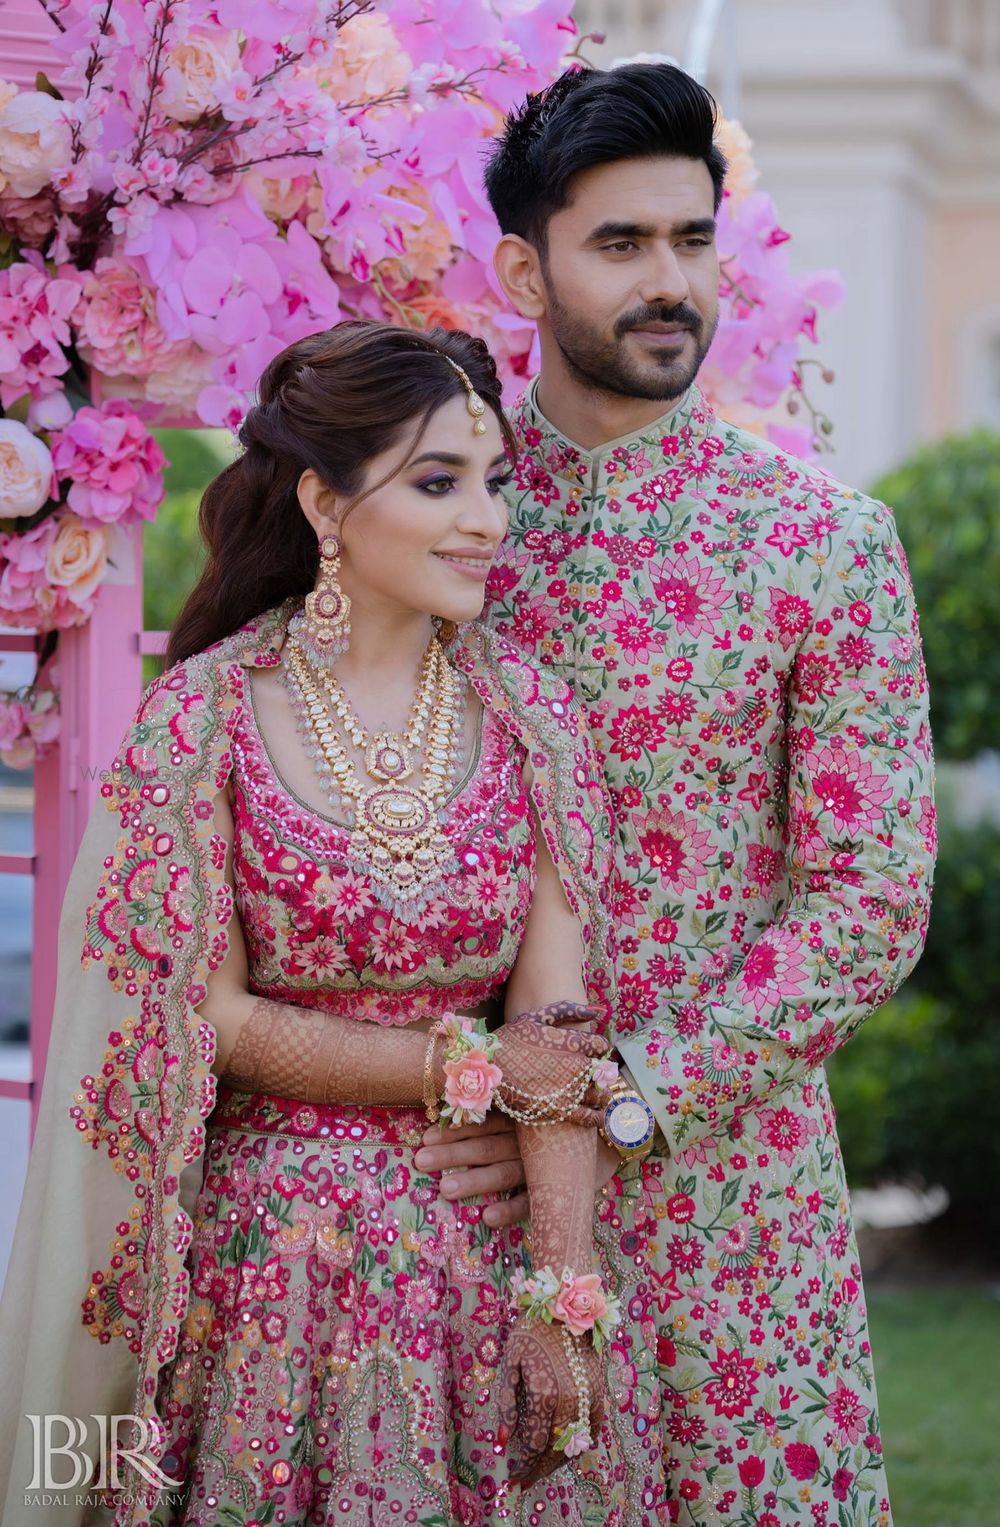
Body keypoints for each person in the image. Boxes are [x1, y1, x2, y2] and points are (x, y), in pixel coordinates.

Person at [0, 323, 667, 1526]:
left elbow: (555, 1028)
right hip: (270, 1278)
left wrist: (562, 1296)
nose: (487, 521)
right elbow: (209, 1014)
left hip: (480, 1266)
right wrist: (465, 1070)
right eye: (437, 482)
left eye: (495, 482)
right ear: (323, 500)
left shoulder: (534, 723)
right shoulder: (206, 720)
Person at [469, 61, 936, 1526]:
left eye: (692, 239)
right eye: (621, 244)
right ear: (521, 269)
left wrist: (632, 1100)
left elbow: (868, 898)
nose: (670, 281)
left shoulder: (823, 545)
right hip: (468, 1187)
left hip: (739, 1201)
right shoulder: (440, 528)